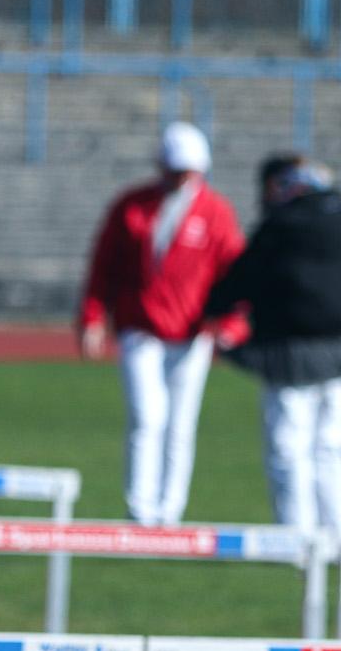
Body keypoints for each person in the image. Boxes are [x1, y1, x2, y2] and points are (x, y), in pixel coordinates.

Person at [77, 121, 243, 526]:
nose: (182, 178)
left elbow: (236, 274)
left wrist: (232, 325)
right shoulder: (132, 206)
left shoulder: (216, 212)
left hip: (192, 334)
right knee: (147, 416)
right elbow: (103, 266)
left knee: (180, 425)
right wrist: (92, 317)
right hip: (141, 329)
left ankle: (171, 511)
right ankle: (140, 507)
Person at [203, 154, 341, 533]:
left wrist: (212, 307)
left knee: (288, 447)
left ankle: (295, 537)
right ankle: (334, 535)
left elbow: (242, 279)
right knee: (331, 447)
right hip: (336, 352)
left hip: (288, 354)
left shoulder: (281, 225)